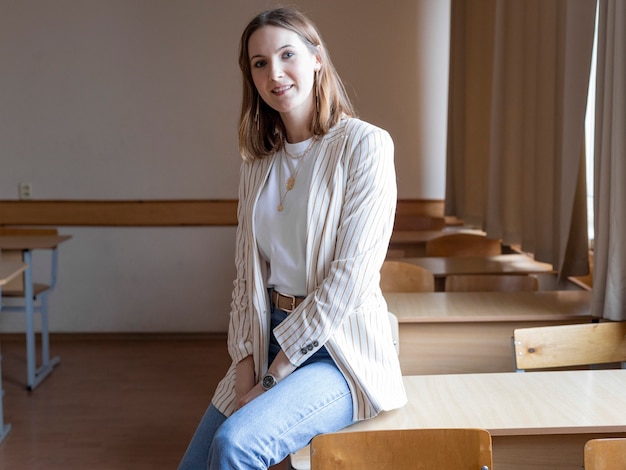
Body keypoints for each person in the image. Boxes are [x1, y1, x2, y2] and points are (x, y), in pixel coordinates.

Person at [179, 7, 406, 469]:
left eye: (287, 55)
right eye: (259, 63)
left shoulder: (365, 145)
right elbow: (246, 279)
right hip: (266, 338)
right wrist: (246, 370)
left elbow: (351, 279)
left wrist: (272, 377)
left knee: (235, 446)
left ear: (317, 58)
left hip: (339, 354)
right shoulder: (257, 165)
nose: (275, 73)